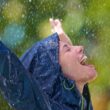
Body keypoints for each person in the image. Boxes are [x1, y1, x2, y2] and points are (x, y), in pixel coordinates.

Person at [0, 18, 97, 110]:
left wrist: (62, 37)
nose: (81, 47)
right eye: (67, 49)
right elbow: (14, 75)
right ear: (55, 77)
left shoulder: (80, 104)